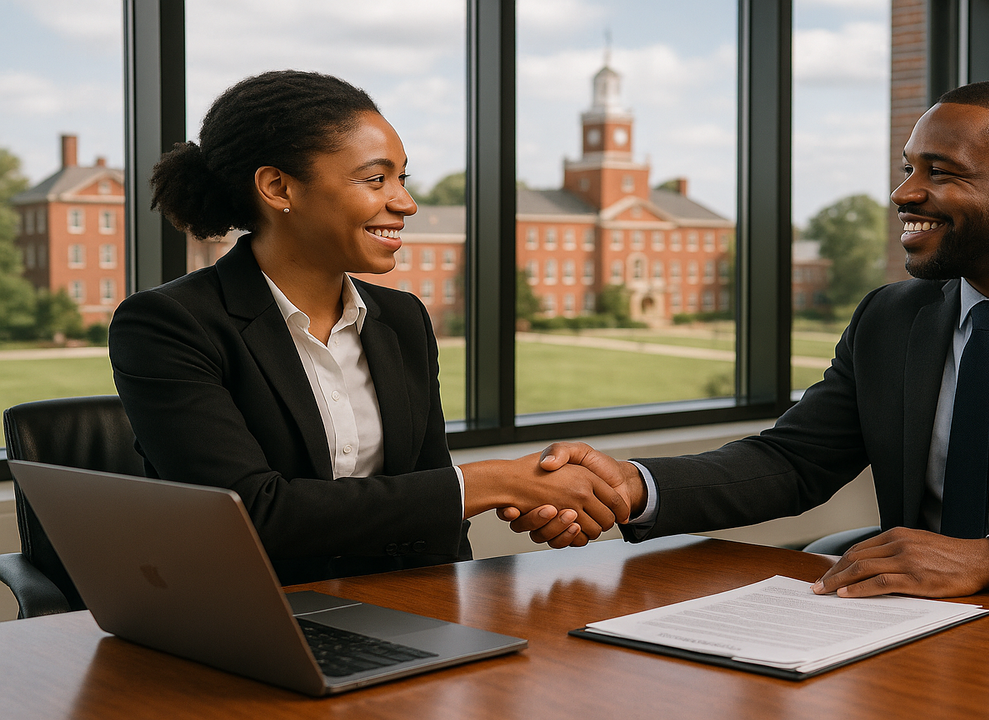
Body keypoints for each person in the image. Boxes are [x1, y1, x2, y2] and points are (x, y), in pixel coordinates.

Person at [515, 80, 989, 612]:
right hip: (916, 622)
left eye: (939, 173)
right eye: (908, 169)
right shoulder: (893, 316)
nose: (905, 194)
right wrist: (632, 486)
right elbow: (794, 462)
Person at [110, 70, 628, 585]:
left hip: (401, 614)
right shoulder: (168, 324)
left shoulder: (402, 320)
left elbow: (430, 505)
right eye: (375, 179)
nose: (405, 203)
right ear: (277, 187)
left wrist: (459, 622)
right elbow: (252, 514)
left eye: (402, 179)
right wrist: (493, 483)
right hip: (248, 621)